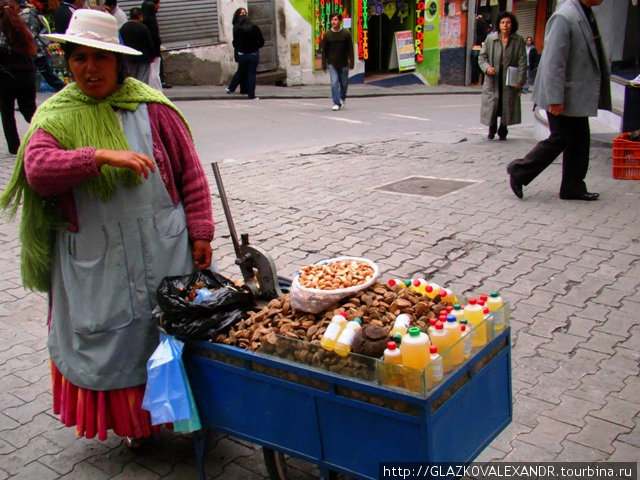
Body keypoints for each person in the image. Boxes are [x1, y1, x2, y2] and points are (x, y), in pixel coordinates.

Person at [0, 9, 214, 443]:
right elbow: (38, 170)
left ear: (119, 62)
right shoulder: (58, 116)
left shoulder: (154, 110)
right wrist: (96, 156)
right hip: (99, 260)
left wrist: (201, 231)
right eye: (79, 59)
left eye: (99, 58)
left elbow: (190, 173)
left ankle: (180, 416)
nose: (89, 69)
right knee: (116, 344)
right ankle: (134, 427)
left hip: (162, 249)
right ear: (68, 62)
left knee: (166, 333)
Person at [507, 0, 611, 201]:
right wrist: (555, 98)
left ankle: (573, 186)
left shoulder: (585, 12)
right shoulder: (565, 16)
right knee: (560, 138)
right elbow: (554, 61)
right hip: (562, 93)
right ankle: (519, 171)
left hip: (576, 94)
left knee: (580, 140)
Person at [478, 11, 526, 140]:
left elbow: (522, 61)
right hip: (493, 78)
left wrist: (520, 80)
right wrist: (487, 68)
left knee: (506, 103)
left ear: (512, 24)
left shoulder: (518, 40)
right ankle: (491, 127)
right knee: (493, 104)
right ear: (498, 25)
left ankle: (503, 127)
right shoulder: (490, 39)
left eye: (508, 22)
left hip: (509, 78)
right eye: (503, 22)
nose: (505, 25)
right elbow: (482, 57)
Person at [0, 0, 37, 155]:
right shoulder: (22, 27)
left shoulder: (2, 30)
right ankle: (48, 133)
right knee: (30, 111)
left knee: (7, 112)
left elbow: (2, 50)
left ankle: (14, 146)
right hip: (27, 73)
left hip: (7, 77)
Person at [19, 0, 66, 91]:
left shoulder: (26, 16)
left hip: (36, 51)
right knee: (47, 75)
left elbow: (30, 35)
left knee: (48, 76)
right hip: (36, 50)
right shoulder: (27, 14)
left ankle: (63, 89)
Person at [226, 12, 263, 100]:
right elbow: (261, 41)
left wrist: (240, 49)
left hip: (242, 55)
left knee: (241, 71)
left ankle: (231, 88)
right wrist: (256, 47)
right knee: (251, 74)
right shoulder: (255, 28)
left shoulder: (239, 30)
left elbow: (234, 43)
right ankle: (251, 95)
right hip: (253, 54)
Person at [321, 13, 354, 111]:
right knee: (334, 82)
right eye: (332, 20)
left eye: (335, 20)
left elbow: (350, 49)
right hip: (332, 63)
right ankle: (336, 103)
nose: (333, 22)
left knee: (344, 84)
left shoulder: (346, 33)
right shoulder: (327, 34)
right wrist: (324, 64)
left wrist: (351, 62)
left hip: (343, 63)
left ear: (340, 21)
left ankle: (342, 97)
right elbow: (324, 51)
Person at [120, 6, 154, 84]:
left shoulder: (124, 27)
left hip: (129, 58)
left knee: (131, 79)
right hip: (143, 58)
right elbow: (149, 42)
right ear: (139, 16)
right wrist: (152, 55)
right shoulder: (143, 27)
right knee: (143, 79)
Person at [225, 7, 247, 95]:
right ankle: (231, 87)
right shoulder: (237, 26)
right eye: (241, 13)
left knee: (244, 70)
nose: (243, 15)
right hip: (241, 51)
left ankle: (243, 89)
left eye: (245, 13)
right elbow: (237, 40)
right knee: (242, 70)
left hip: (244, 50)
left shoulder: (245, 25)